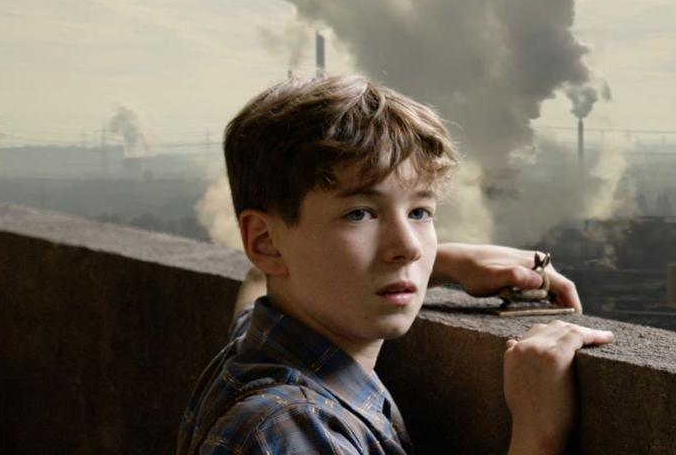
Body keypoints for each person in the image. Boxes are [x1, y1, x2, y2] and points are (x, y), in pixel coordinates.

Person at [177, 75, 613, 454]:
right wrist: (538, 435)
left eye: (420, 212)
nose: (409, 248)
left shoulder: (256, 347)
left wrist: (449, 261)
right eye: (359, 213)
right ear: (266, 241)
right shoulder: (291, 429)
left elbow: (258, 279)